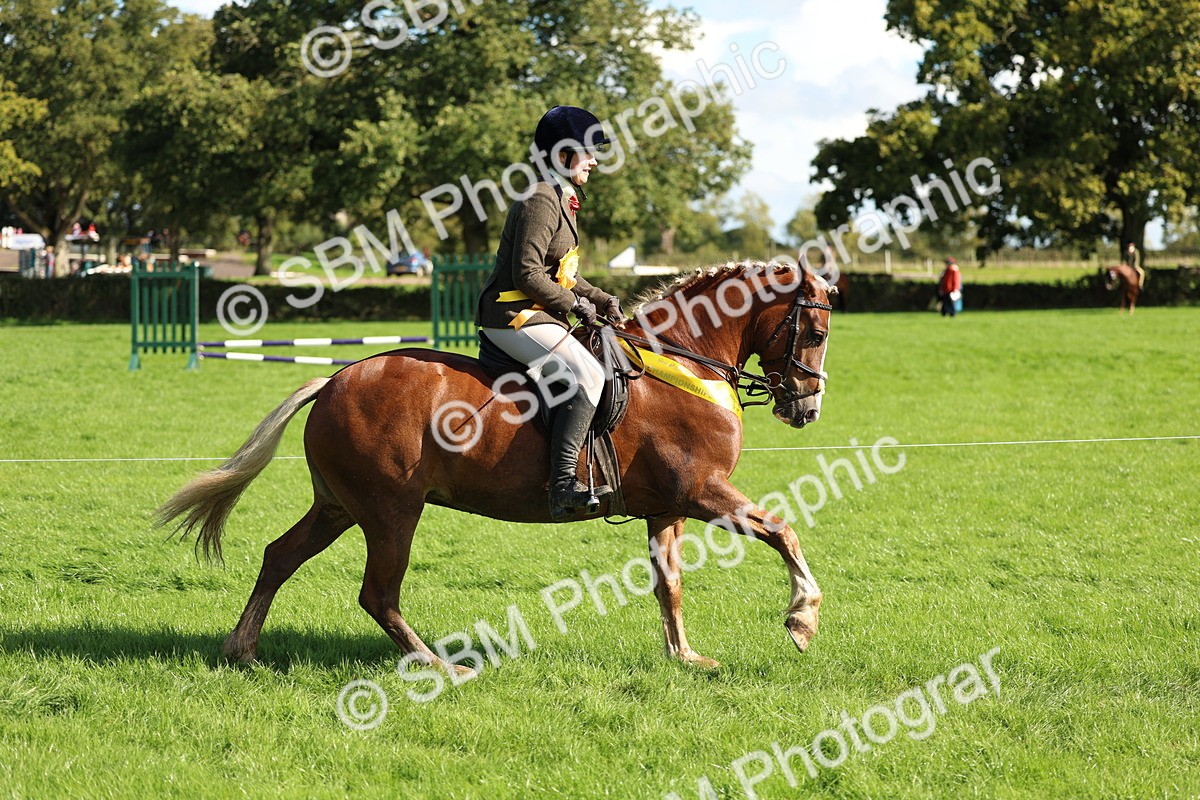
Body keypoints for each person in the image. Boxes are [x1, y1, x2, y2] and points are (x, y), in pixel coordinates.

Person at [476, 105, 623, 520]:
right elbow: (527, 274)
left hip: (534, 314)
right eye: (587, 152)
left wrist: (600, 298)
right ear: (562, 155)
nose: (594, 161)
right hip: (512, 315)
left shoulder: (562, 198)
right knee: (589, 373)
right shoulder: (541, 198)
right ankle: (562, 485)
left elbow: (563, 274)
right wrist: (574, 305)